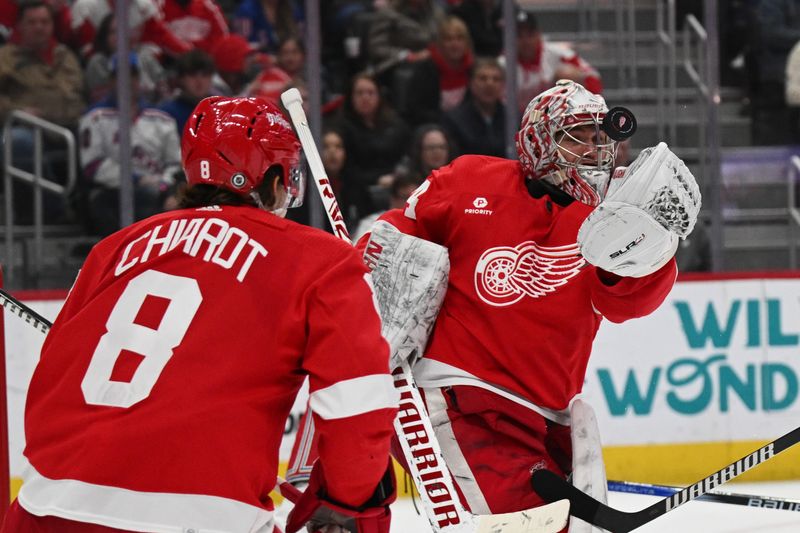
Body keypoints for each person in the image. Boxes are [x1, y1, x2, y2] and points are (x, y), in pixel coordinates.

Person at [1, 96, 398, 533]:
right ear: (272, 176)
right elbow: (357, 405)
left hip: (44, 509)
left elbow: (49, 379)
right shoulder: (319, 260)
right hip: (200, 517)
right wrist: (348, 501)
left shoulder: (112, 249)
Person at [354, 80, 696, 516]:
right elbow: (399, 239)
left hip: (548, 418)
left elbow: (626, 303)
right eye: (582, 138)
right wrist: (364, 263)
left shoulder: (610, 219)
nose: (596, 151)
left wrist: (653, 249)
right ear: (541, 141)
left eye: (601, 139)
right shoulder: (469, 180)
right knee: (528, 524)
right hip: (459, 400)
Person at [79, 53, 182, 236]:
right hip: (112, 191)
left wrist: (165, 187)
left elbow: (175, 163)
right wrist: (136, 180)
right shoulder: (95, 118)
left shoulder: (162, 120)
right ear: (111, 81)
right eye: (120, 76)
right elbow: (92, 167)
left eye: (132, 75)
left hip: (158, 190)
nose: (127, 81)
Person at [510, 10, 602, 114]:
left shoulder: (557, 53)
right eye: (520, 36)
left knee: (567, 73)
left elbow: (591, 76)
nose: (526, 41)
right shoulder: (505, 62)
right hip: (518, 119)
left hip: (557, 117)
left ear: (538, 34)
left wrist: (590, 106)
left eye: (530, 35)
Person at [441, 56, 506, 157]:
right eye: (482, 78)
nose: (489, 84)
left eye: (496, 79)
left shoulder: (513, 119)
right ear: (471, 83)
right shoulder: (454, 120)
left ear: (503, 85)